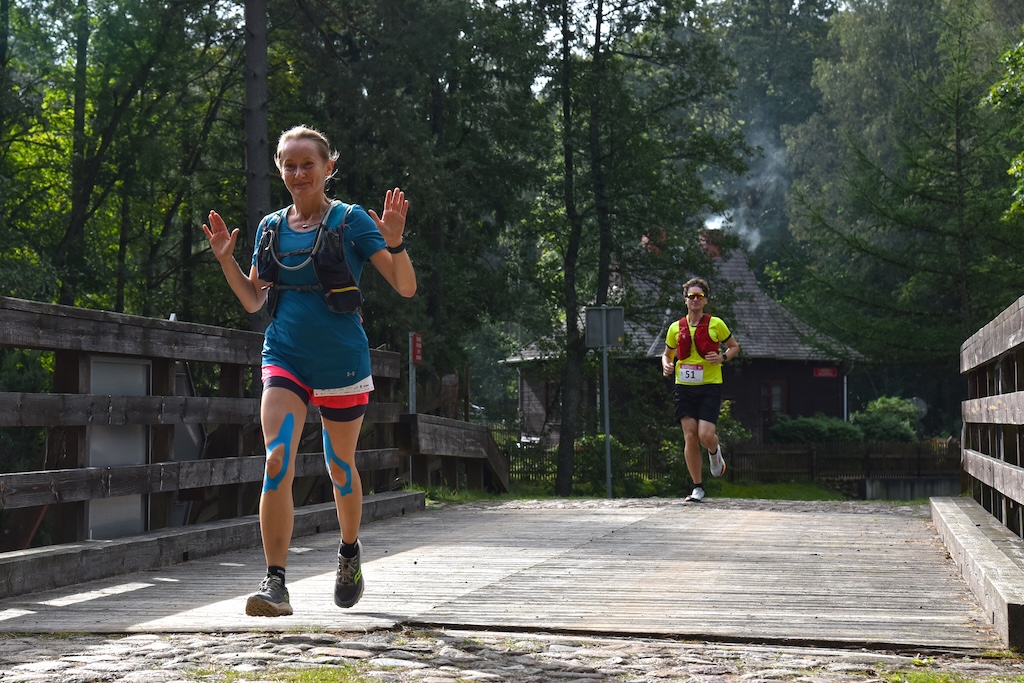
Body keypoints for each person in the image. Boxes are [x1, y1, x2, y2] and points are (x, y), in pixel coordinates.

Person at [203, 124, 416, 617]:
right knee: (277, 459)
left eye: (308, 164)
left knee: (339, 466)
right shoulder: (270, 227)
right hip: (285, 356)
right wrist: (226, 262)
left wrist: (396, 243)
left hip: (341, 361)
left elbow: (405, 287)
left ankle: (349, 553)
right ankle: (275, 582)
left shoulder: (351, 221)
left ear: (328, 167)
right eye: (289, 165)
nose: (298, 173)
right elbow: (254, 300)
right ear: (279, 169)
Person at [661, 277, 739, 503]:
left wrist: (722, 358)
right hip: (684, 387)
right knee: (690, 435)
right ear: (685, 300)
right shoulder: (675, 328)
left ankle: (714, 453)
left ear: (705, 300)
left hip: (709, 386)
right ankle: (697, 487)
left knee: (705, 435)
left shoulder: (716, 324)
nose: (695, 299)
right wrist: (666, 364)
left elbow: (734, 347)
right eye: (691, 296)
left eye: (699, 296)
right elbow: (667, 354)